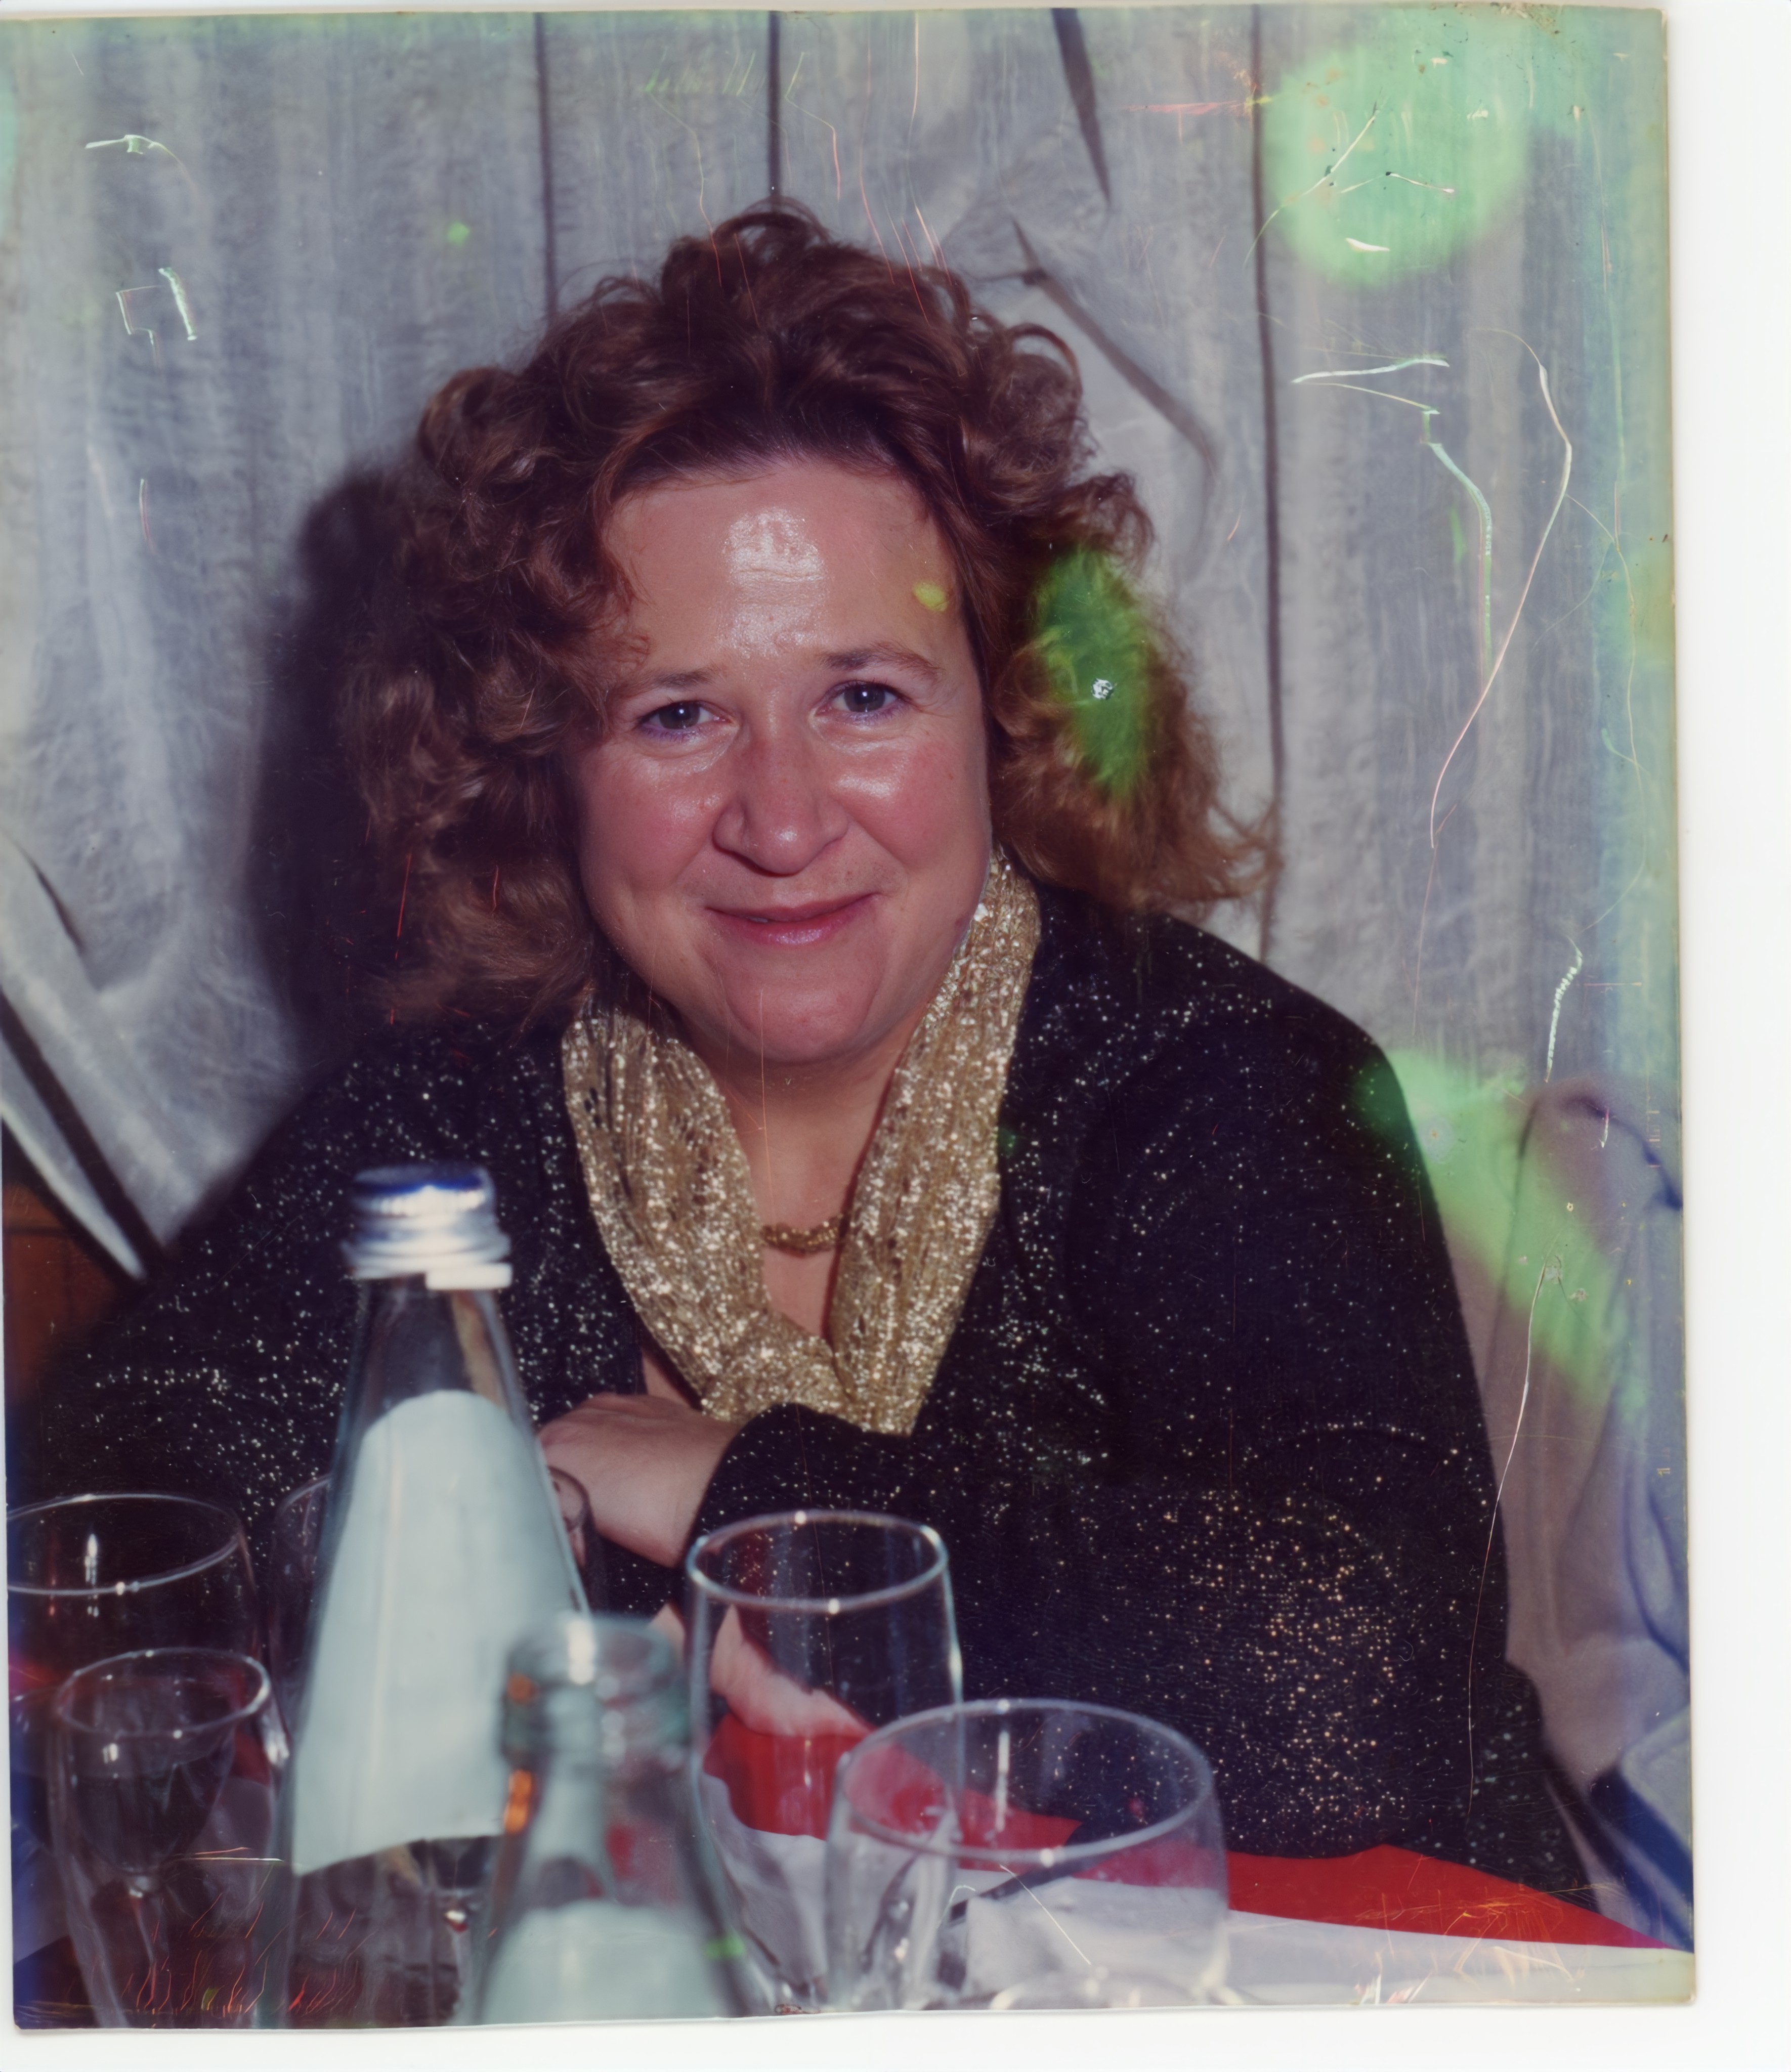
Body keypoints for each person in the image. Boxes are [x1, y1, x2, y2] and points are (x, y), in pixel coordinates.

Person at [43, 203, 1584, 1895]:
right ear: (546, 766)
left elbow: (1352, 1687)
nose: (780, 822)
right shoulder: (454, 1108)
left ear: (1006, 713)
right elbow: (112, 1515)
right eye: (677, 715)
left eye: (863, 697)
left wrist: (740, 1498)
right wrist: (551, 1557)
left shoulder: (1224, 1085)